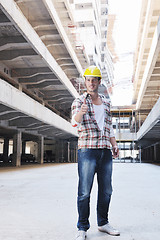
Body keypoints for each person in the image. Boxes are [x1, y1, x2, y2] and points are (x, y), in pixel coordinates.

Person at [71, 65, 120, 240]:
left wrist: (113, 144)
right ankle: (82, 227)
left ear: (99, 82)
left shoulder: (106, 102)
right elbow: (74, 123)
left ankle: (103, 223)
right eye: (88, 80)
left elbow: (109, 127)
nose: (91, 83)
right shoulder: (79, 102)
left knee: (106, 190)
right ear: (85, 81)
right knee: (84, 191)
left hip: (105, 150)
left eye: (94, 80)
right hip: (87, 150)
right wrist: (80, 114)